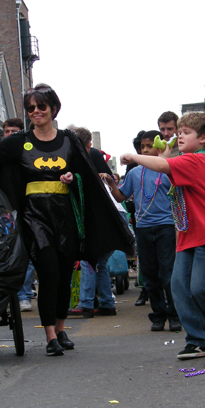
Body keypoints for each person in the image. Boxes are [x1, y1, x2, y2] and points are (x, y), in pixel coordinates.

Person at [0, 84, 133, 357]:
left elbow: (87, 176)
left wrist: (72, 178)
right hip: (35, 217)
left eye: (41, 107)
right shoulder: (19, 142)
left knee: (65, 275)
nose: (35, 112)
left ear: (53, 109)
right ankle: (49, 336)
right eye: (30, 108)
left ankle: (60, 327)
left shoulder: (69, 141)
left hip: (65, 216)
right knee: (49, 273)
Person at [119, 112, 205, 360]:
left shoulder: (196, 161)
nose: (178, 136)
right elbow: (167, 167)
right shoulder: (191, 161)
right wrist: (164, 156)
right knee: (180, 288)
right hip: (188, 237)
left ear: (203, 138)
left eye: (185, 133)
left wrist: (133, 157)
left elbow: (164, 166)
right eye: (179, 132)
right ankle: (200, 340)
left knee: (200, 288)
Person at [104, 129, 180, 332]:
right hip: (143, 228)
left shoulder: (167, 168)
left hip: (165, 226)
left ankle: (175, 315)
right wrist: (112, 184)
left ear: (159, 147)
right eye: (141, 147)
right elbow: (121, 197)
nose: (144, 150)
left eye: (149, 146)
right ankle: (158, 315)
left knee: (167, 273)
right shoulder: (134, 172)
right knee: (149, 274)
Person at [67, 125, 118, 319]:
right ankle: (106, 303)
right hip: (112, 216)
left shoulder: (85, 163)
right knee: (100, 262)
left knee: (90, 259)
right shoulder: (89, 161)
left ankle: (86, 303)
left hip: (102, 218)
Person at [0, 118, 36, 312]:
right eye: (7, 131)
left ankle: (24, 295)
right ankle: (7, 296)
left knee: (27, 254)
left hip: (28, 209)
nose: (10, 134)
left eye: (14, 131)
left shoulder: (29, 154)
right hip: (4, 212)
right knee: (5, 254)